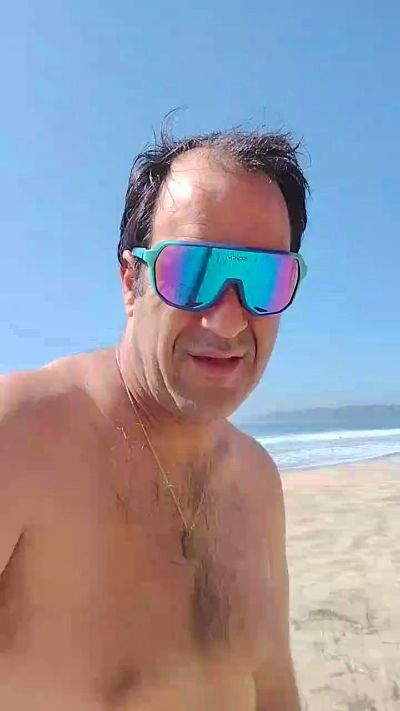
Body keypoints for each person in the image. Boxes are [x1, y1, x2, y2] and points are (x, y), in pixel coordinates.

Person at [0, 124, 309, 710]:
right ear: (130, 281)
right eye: (191, 273)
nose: (227, 322)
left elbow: (274, 685)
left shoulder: (257, 480)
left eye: (263, 278)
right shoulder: (19, 436)